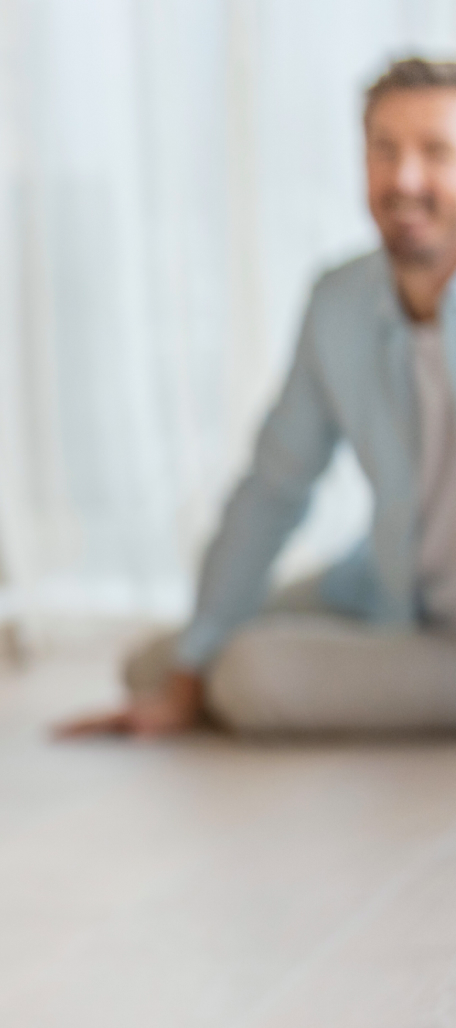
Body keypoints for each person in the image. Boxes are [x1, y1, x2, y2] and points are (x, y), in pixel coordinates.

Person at [64, 57, 456, 738]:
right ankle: (209, 676)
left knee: (248, 676)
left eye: (437, 152)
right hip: (389, 590)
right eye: (384, 150)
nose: (406, 180)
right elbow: (273, 489)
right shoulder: (339, 302)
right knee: (161, 663)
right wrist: (189, 672)